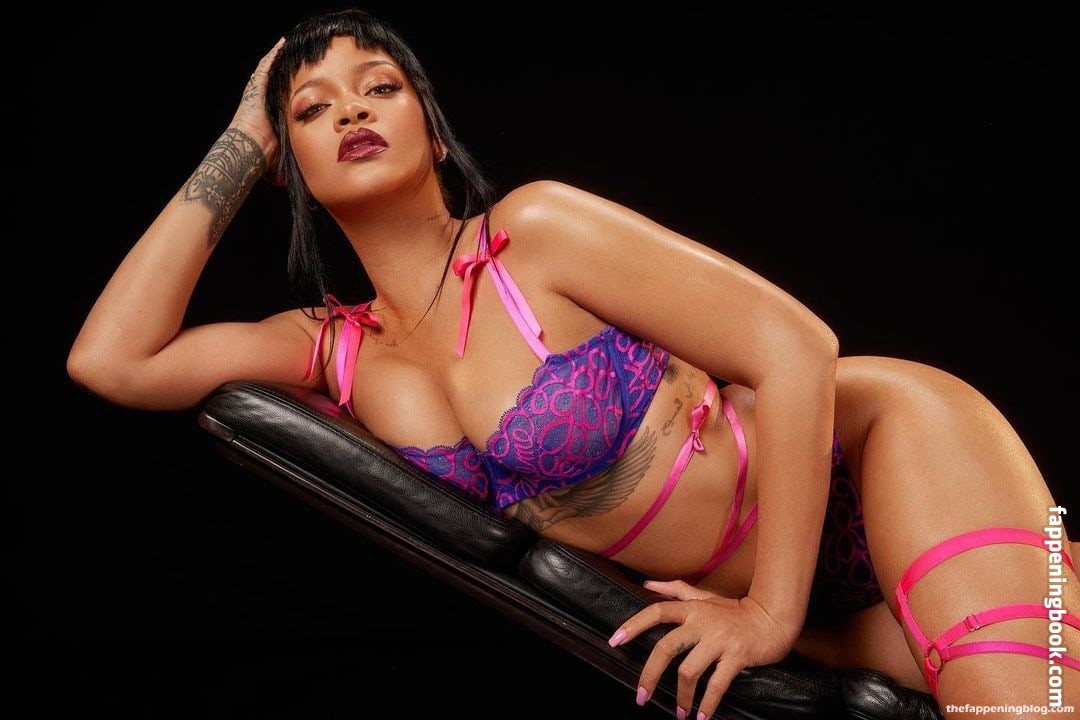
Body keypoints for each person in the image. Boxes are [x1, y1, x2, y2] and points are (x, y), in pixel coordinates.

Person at [66, 8, 1078, 719]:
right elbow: (111, 360)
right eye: (311, 108)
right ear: (290, 165)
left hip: (884, 464)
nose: (353, 112)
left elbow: (797, 346)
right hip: (826, 615)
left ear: (433, 131)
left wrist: (768, 615)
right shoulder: (334, 349)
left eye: (381, 87)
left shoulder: (534, 233)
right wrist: (241, 137)